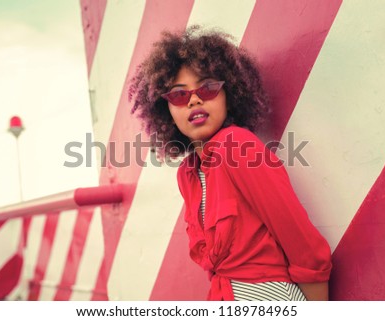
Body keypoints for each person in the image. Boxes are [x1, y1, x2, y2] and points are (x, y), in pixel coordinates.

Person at [129, 25, 332, 301]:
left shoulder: (235, 145)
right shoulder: (187, 174)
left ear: (229, 93)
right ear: (166, 110)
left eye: (208, 88)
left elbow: (298, 237)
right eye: (179, 94)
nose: (195, 99)